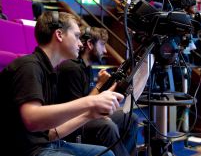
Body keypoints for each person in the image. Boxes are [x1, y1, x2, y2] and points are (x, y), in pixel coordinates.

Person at [0, 11, 124, 156]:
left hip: (46, 144)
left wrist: (90, 114)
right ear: (59, 35)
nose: (80, 43)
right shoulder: (28, 66)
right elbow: (32, 119)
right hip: (26, 151)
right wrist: (91, 101)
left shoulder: (50, 72)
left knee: (106, 153)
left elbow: (52, 133)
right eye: (77, 36)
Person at [56, 26, 139, 156]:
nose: (105, 50)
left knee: (130, 118)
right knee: (107, 127)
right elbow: (78, 109)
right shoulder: (71, 68)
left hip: (83, 116)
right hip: (70, 125)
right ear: (90, 44)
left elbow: (89, 99)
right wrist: (99, 85)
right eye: (102, 45)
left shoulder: (86, 67)